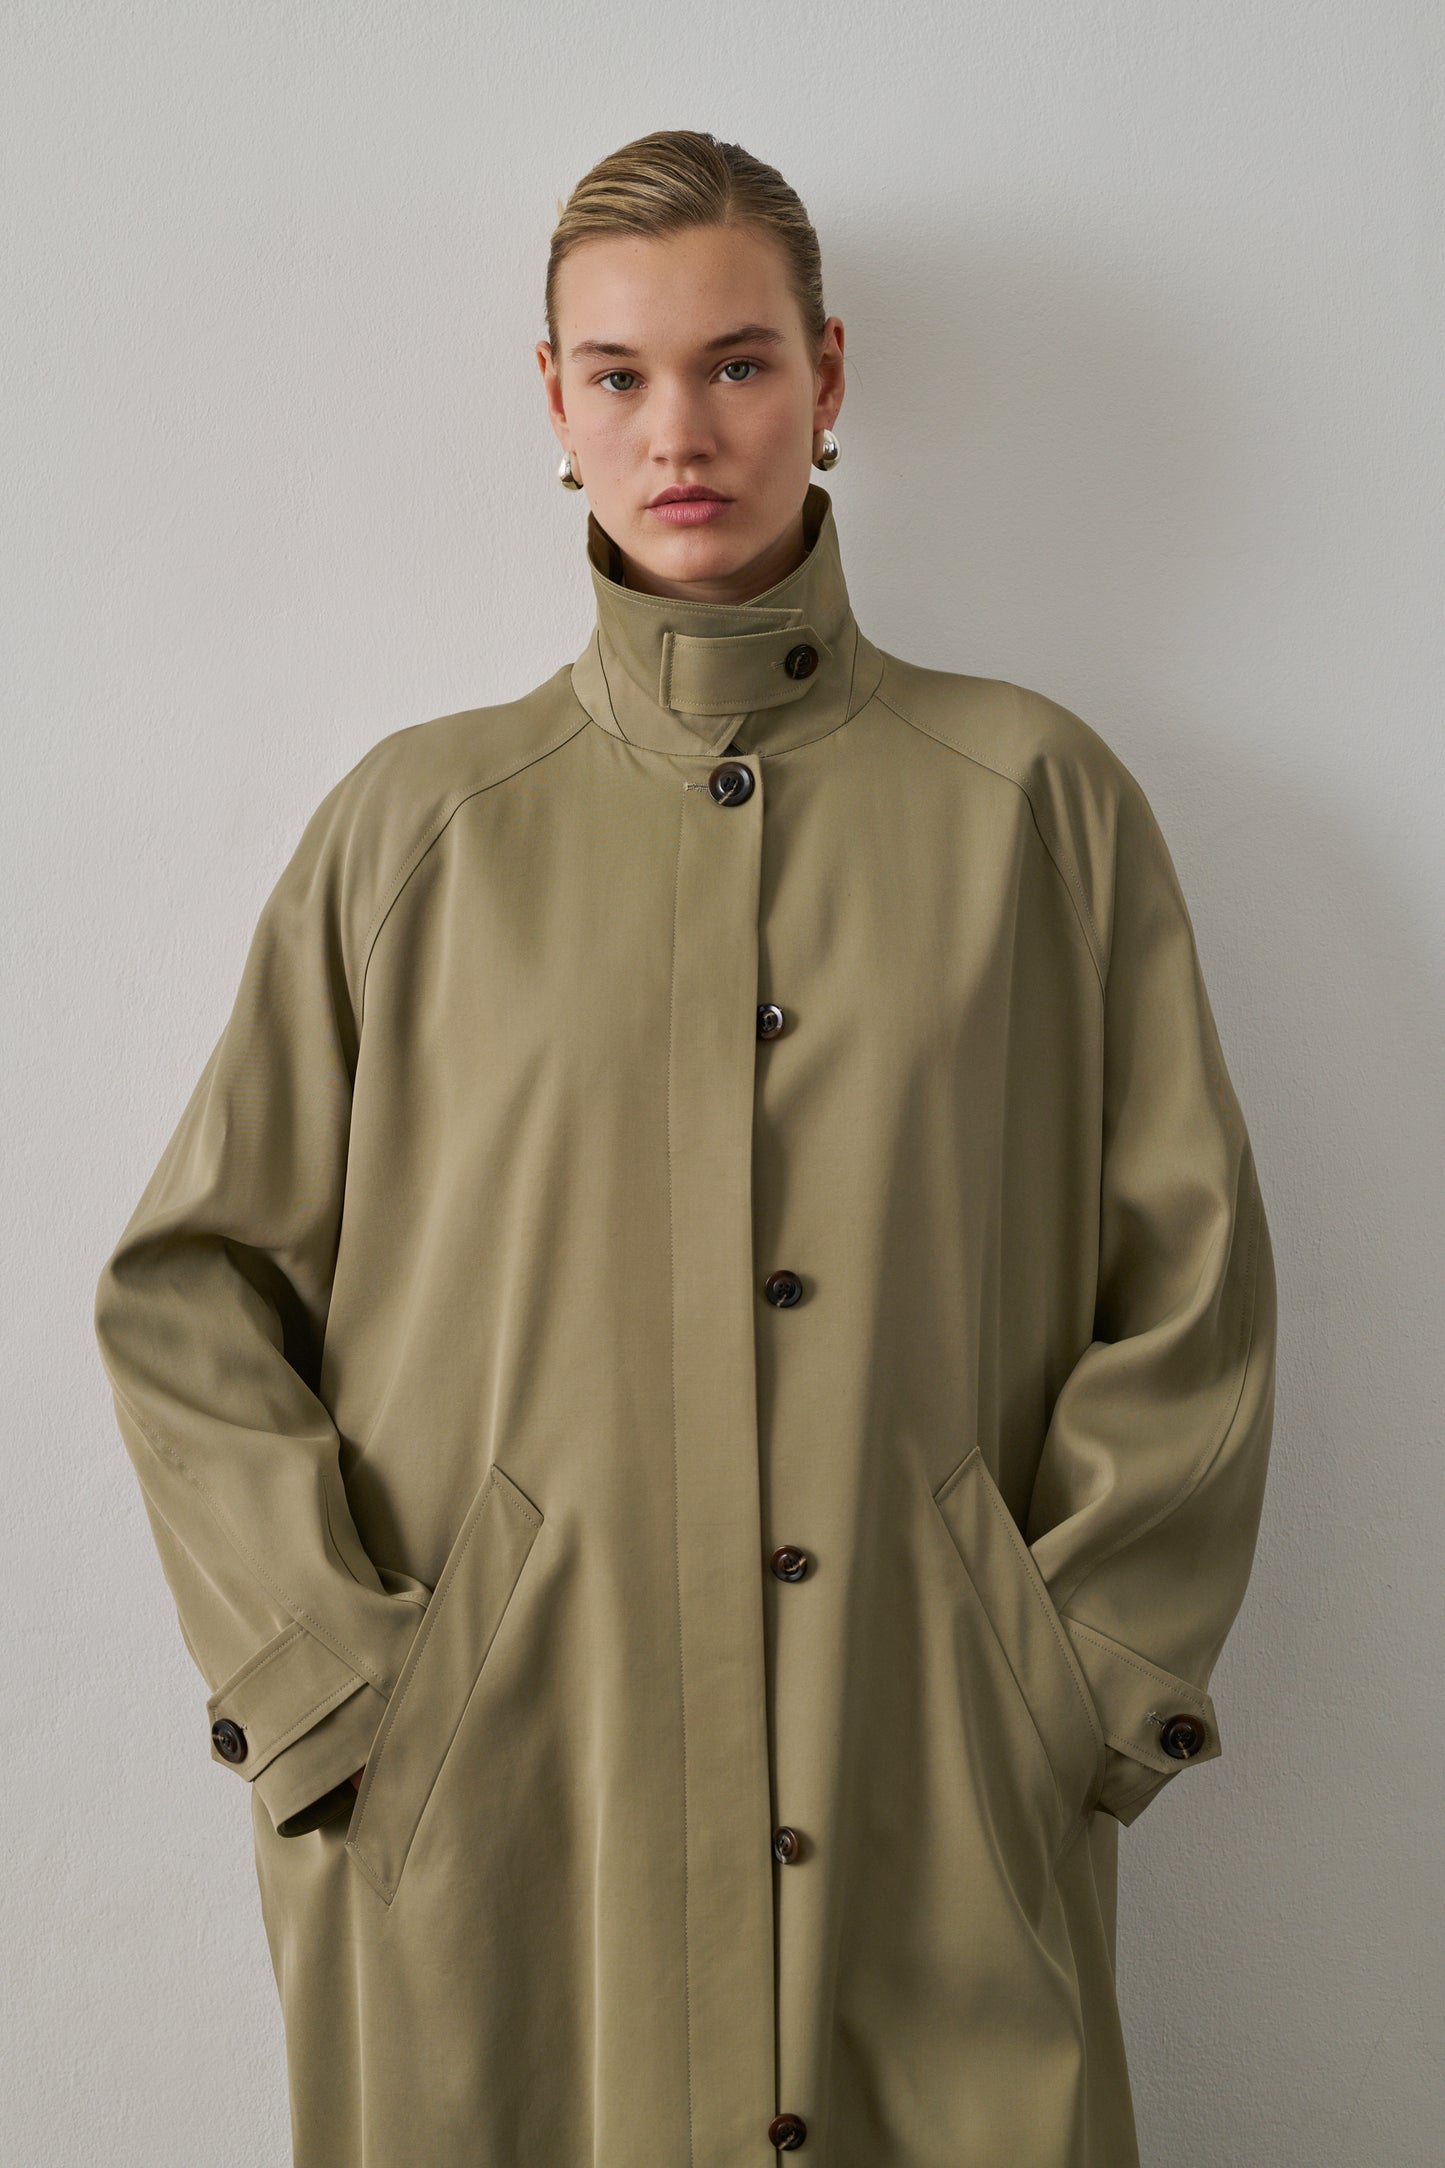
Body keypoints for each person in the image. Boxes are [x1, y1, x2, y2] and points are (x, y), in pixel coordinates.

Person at [92, 127, 1277, 2167]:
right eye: (620, 373)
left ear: (827, 376)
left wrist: (1065, 1681)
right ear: (554, 406)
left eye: (736, 362)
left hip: (925, 1794)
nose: (682, 430)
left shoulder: (1033, 805)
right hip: (502, 1813)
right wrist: (344, 1688)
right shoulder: (418, 830)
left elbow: (1190, 1285)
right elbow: (189, 1291)